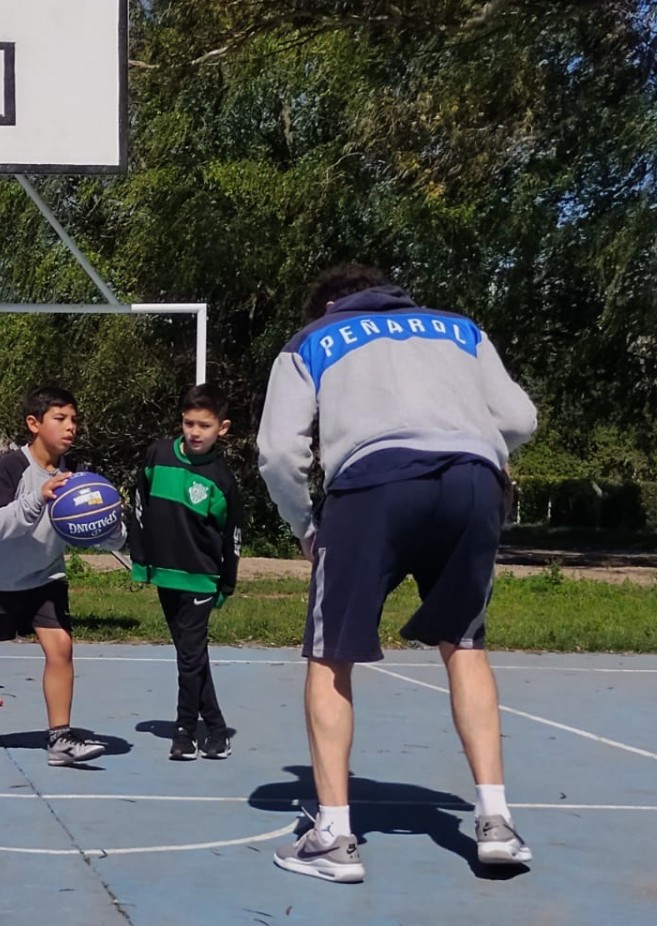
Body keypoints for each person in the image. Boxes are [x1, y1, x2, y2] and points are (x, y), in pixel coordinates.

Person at [257, 264, 538, 882]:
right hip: (473, 479)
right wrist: (466, 443)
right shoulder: (459, 329)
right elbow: (520, 419)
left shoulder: (312, 340)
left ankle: (333, 834)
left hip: (373, 484)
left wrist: (307, 524)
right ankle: (495, 820)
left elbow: (279, 452)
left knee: (331, 654)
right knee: (464, 644)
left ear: (329, 304)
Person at [0, 386, 123, 767]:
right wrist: (40, 497)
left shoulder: (77, 469)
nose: (71, 427)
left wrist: (112, 531)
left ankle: (60, 738)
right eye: (60, 418)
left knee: (61, 648)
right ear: (34, 424)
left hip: (46, 576)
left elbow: (93, 524)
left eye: (73, 419)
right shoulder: (10, 467)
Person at [129, 383, 240, 761]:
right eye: (189, 422)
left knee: (189, 656)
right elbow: (139, 504)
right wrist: (141, 560)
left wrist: (228, 581)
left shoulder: (222, 479)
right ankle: (219, 728)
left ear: (221, 429)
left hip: (201, 578)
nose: (195, 432)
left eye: (204, 426)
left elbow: (232, 536)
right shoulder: (158, 455)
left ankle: (185, 731)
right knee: (190, 655)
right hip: (164, 573)